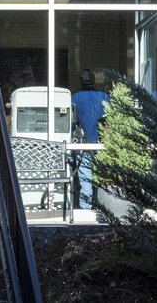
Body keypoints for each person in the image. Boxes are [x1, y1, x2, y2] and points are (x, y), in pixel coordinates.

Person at [71, 69, 110, 210]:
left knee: (85, 179)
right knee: (103, 179)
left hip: (82, 145)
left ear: (81, 82)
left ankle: (86, 211)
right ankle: (102, 208)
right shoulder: (104, 97)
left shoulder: (74, 98)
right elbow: (111, 120)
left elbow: (70, 123)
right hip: (101, 145)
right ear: (94, 81)